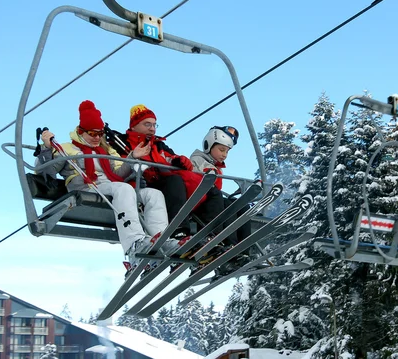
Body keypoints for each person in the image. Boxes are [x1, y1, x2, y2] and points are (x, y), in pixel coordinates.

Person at [36, 100, 170, 278]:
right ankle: (134, 245)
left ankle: (160, 241)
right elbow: (45, 170)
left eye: (100, 133)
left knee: (154, 194)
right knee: (123, 189)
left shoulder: (106, 151)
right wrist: (46, 147)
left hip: (109, 187)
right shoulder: (66, 150)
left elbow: (119, 173)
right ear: (81, 132)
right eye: (92, 133)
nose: (97, 137)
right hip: (86, 188)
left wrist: (132, 157)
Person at [106, 104, 227, 267]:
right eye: (147, 124)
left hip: (166, 181)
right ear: (134, 126)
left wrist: (179, 161)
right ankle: (179, 232)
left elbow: (171, 157)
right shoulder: (123, 143)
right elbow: (118, 168)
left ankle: (210, 237)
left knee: (213, 193)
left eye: (154, 124)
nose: (152, 128)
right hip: (150, 184)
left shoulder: (159, 145)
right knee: (175, 182)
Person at [190, 126, 253, 275]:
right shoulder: (196, 160)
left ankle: (243, 250)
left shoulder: (214, 166)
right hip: (200, 205)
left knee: (239, 206)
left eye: (227, 151)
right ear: (209, 145)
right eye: (221, 150)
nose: (224, 155)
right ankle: (225, 244)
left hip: (212, 201)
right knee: (227, 206)